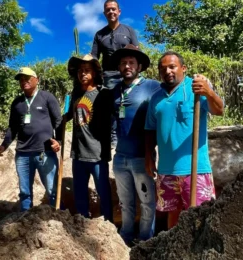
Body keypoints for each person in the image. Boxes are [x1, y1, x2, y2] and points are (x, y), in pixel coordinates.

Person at [144, 51, 224, 229]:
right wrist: (149, 156)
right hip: (166, 170)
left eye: (172, 66)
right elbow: (149, 129)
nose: (168, 71)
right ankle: (173, 248)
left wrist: (209, 92)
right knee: (173, 213)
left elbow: (219, 110)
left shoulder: (196, 88)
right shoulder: (156, 98)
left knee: (201, 216)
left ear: (183, 68)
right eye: (163, 68)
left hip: (195, 169)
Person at [110, 44, 160, 246]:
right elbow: (113, 119)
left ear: (139, 66)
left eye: (131, 62)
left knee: (147, 202)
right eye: (123, 62)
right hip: (120, 158)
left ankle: (146, 240)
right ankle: (126, 237)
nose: (127, 66)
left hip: (142, 157)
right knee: (125, 202)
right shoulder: (115, 90)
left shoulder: (152, 86)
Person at [0, 67, 62, 212]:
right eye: (21, 79)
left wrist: (59, 141)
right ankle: (25, 219)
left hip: (45, 153)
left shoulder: (47, 97)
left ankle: (55, 219)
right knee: (24, 191)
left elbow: (58, 121)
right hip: (23, 154)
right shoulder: (17, 103)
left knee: (52, 189)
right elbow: (13, 128)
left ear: (36, 80)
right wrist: (4, 145)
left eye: (27, 78)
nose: (23, 81)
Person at [64, 54, 113, 222]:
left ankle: (109, 224)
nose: (82, 74)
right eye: (80, 71)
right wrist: (60, 119)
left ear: (94, 73)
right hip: (78, 153)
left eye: (87, 71)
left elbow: (112, 121)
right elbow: (71, 114)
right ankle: (82, 222)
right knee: (80, 192)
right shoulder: (76, 93)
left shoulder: (103, 94)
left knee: (103, 191)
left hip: (97, 154)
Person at [91, 0, 140, 147]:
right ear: (104, 13)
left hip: (128, 73)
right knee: (112, 106)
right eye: (108, 10)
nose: (111, 12)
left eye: (113, 9)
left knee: (132, 102)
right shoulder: (99, 35)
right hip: (109, 75)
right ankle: (113, 136)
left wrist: (138, 71)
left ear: (119, 11)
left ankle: (134, 131)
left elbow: (136, 52)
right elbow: (94, 57)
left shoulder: (129, 30)